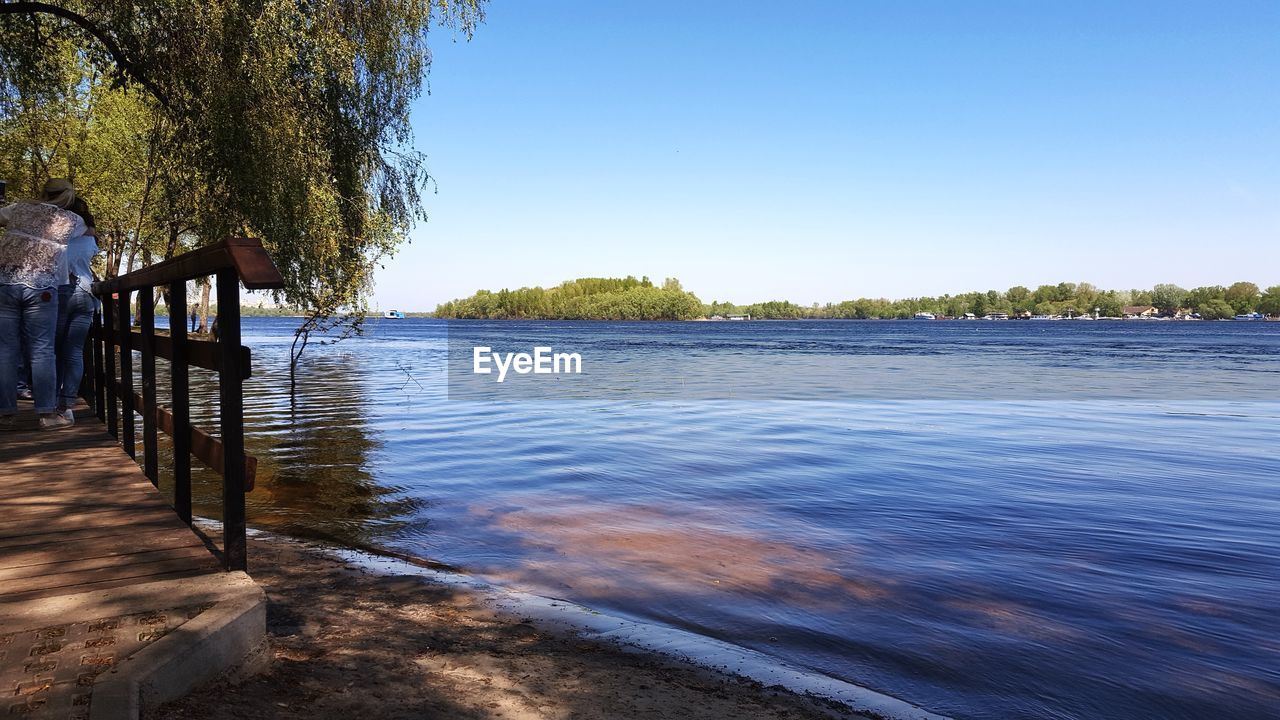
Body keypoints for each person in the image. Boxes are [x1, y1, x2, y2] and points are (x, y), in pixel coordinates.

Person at [0, 178, 85, 430]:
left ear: (43, 192)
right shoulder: (72, 220)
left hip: (5, 282)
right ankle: (47, 415)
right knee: (42, 350)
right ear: (68, 197)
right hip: (42, 288)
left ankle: (5, 414)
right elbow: (88, 232)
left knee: (5, 350)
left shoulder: (18, 208)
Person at [54, 197, 101, 424]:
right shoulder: (90, 237)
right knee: (74, 351)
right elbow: (88, 256)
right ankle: (67, 405)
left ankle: (51, 402)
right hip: (85, 292)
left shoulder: (56, 234)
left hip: (60, 291)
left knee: (53, 349)